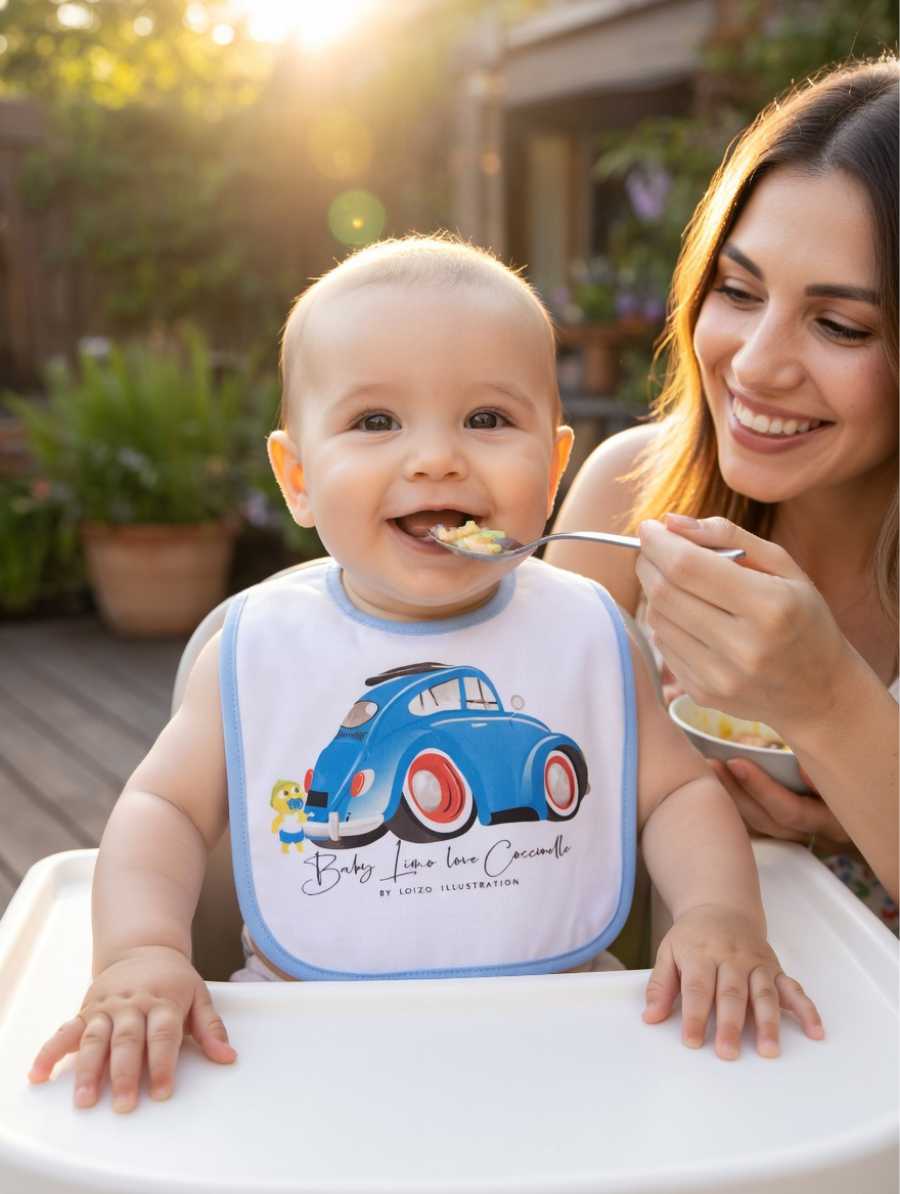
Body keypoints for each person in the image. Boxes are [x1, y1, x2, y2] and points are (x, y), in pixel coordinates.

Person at [28, 236, 822, 1114]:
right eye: (376, 422)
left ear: (554, 468)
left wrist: (718, 918)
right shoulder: (255, 649)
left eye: (487, 419)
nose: (436, 458)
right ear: (297, 478)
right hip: (306, 1056)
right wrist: (140, 952)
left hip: (571, 1052)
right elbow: (164, 810)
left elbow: (677, 795)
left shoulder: (590, 632)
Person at [546, 58, 899, 927]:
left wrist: (828, 708)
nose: (756, 363)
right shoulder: (628, 494)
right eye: (738, 291)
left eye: (840, 325)